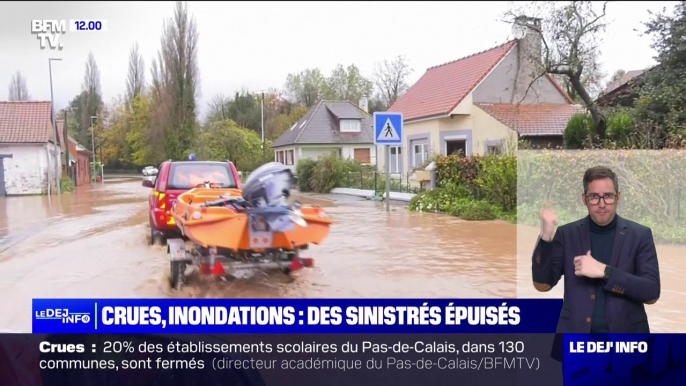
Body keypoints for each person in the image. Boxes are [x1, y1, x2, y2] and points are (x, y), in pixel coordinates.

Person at [532, 166, 661, 333]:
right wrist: (546, 235)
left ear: (618, 197)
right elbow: (542, 284)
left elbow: (651, 293)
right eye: (594, 197)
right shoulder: (567, 234)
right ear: (584, 199)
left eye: (608, 196)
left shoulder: (640, 234)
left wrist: (604, 271)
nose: (601, 204)